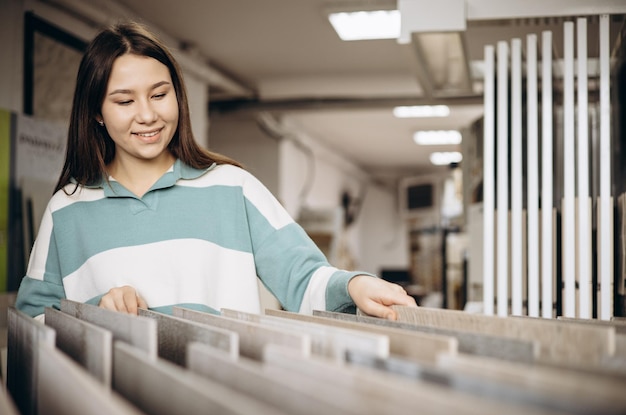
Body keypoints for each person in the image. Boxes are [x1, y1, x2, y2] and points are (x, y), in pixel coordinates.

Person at [15, 21, 416, 321]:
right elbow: (32, 324)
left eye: (160, 94)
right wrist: (94, 312)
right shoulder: (67, 210)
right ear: (97, 114)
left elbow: (303, 276)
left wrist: (354, 284)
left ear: (178, 95)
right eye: (124, 101)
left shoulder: (233, 187)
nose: (148, 114)